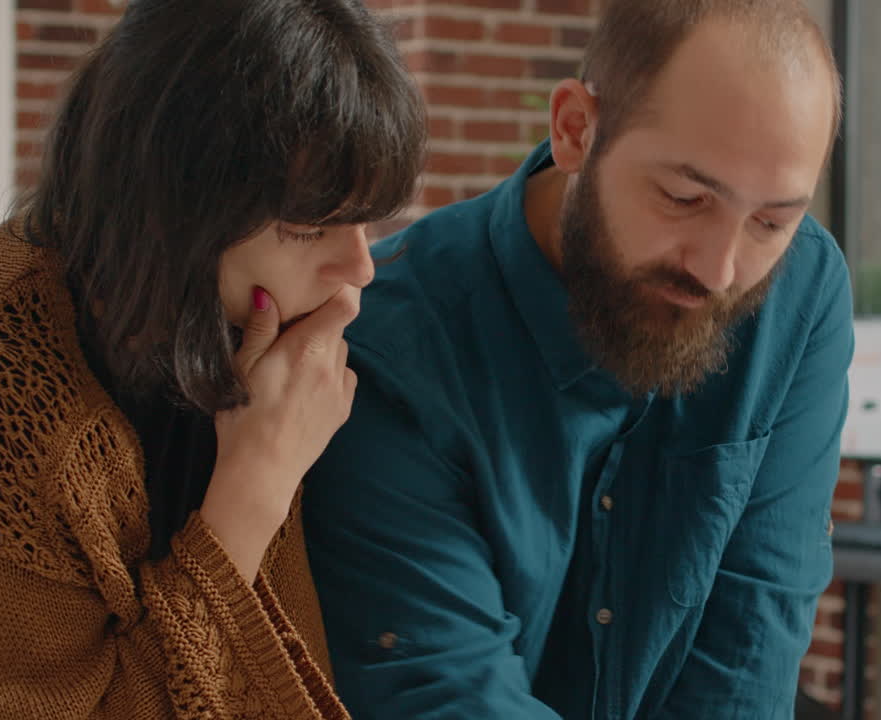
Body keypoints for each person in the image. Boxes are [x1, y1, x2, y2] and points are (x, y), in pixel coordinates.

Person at [302, 0, 851, 718]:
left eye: (771, 221)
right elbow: (450, 697)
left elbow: (747, 656)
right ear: (575, 130)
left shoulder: (800, 291)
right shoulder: (387, 347)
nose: (720, 269)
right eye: (685, 198)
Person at [0, 0, 424, 717]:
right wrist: (257, 479)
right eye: (309, 228)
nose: (360, 268)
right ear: (176, 197)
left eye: (366, 222)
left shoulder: (230, 320)